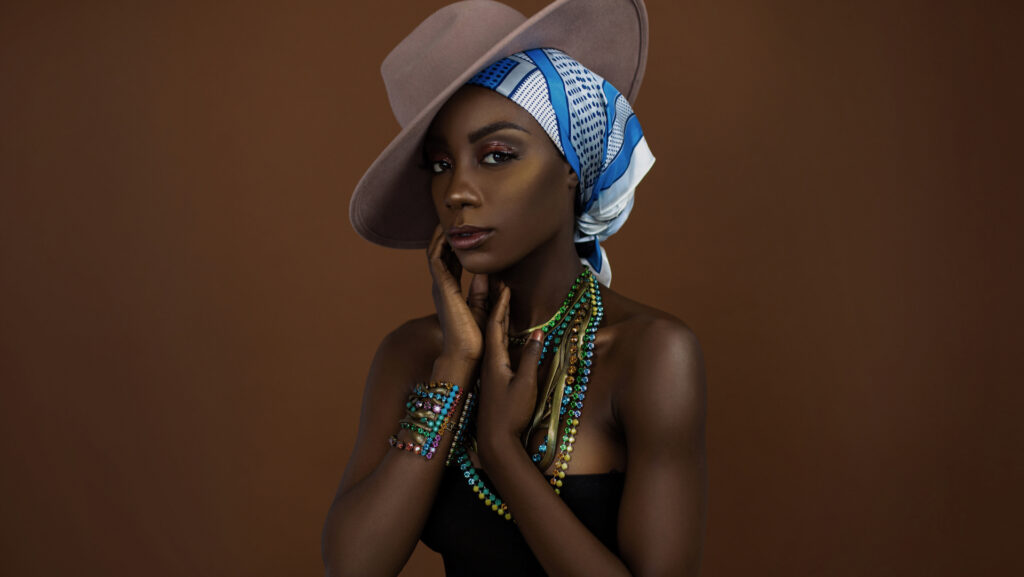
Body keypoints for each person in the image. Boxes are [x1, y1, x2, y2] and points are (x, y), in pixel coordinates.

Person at [322, 1, 706, 575]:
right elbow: (353, 567)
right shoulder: (416, 354)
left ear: (572, 163)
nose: (457, 191)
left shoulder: (650, 354)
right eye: (440, 164)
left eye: (496, 155)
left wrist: (503, 452)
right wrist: (456, 366)